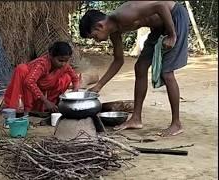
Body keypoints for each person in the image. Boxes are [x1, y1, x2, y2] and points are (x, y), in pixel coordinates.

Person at [79, 1, 189, 136]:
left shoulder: (124, 15)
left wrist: (172, 35)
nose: (97, 41)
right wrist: (99, 86)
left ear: (100, 26)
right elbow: (118, 60)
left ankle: (176, 124)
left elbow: (160, 5)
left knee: (166, 73)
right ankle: (136, 119)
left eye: (94, 36)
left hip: (174, 17)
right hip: (158, 28)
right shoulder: (114, 31)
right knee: (140, 67)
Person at [3, 41, 80, 113]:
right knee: (22, 69)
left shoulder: (64, 66)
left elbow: (75, 78)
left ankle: (52, 103)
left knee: (66, 78)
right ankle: (25, 108)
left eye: (66, 61)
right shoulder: (42, 64)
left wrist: (75, 91)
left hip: (44, 88)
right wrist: (46, 102)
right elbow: (29, 82)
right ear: (51, 56)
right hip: (28, 85)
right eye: (60, 60)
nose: (63, 64)